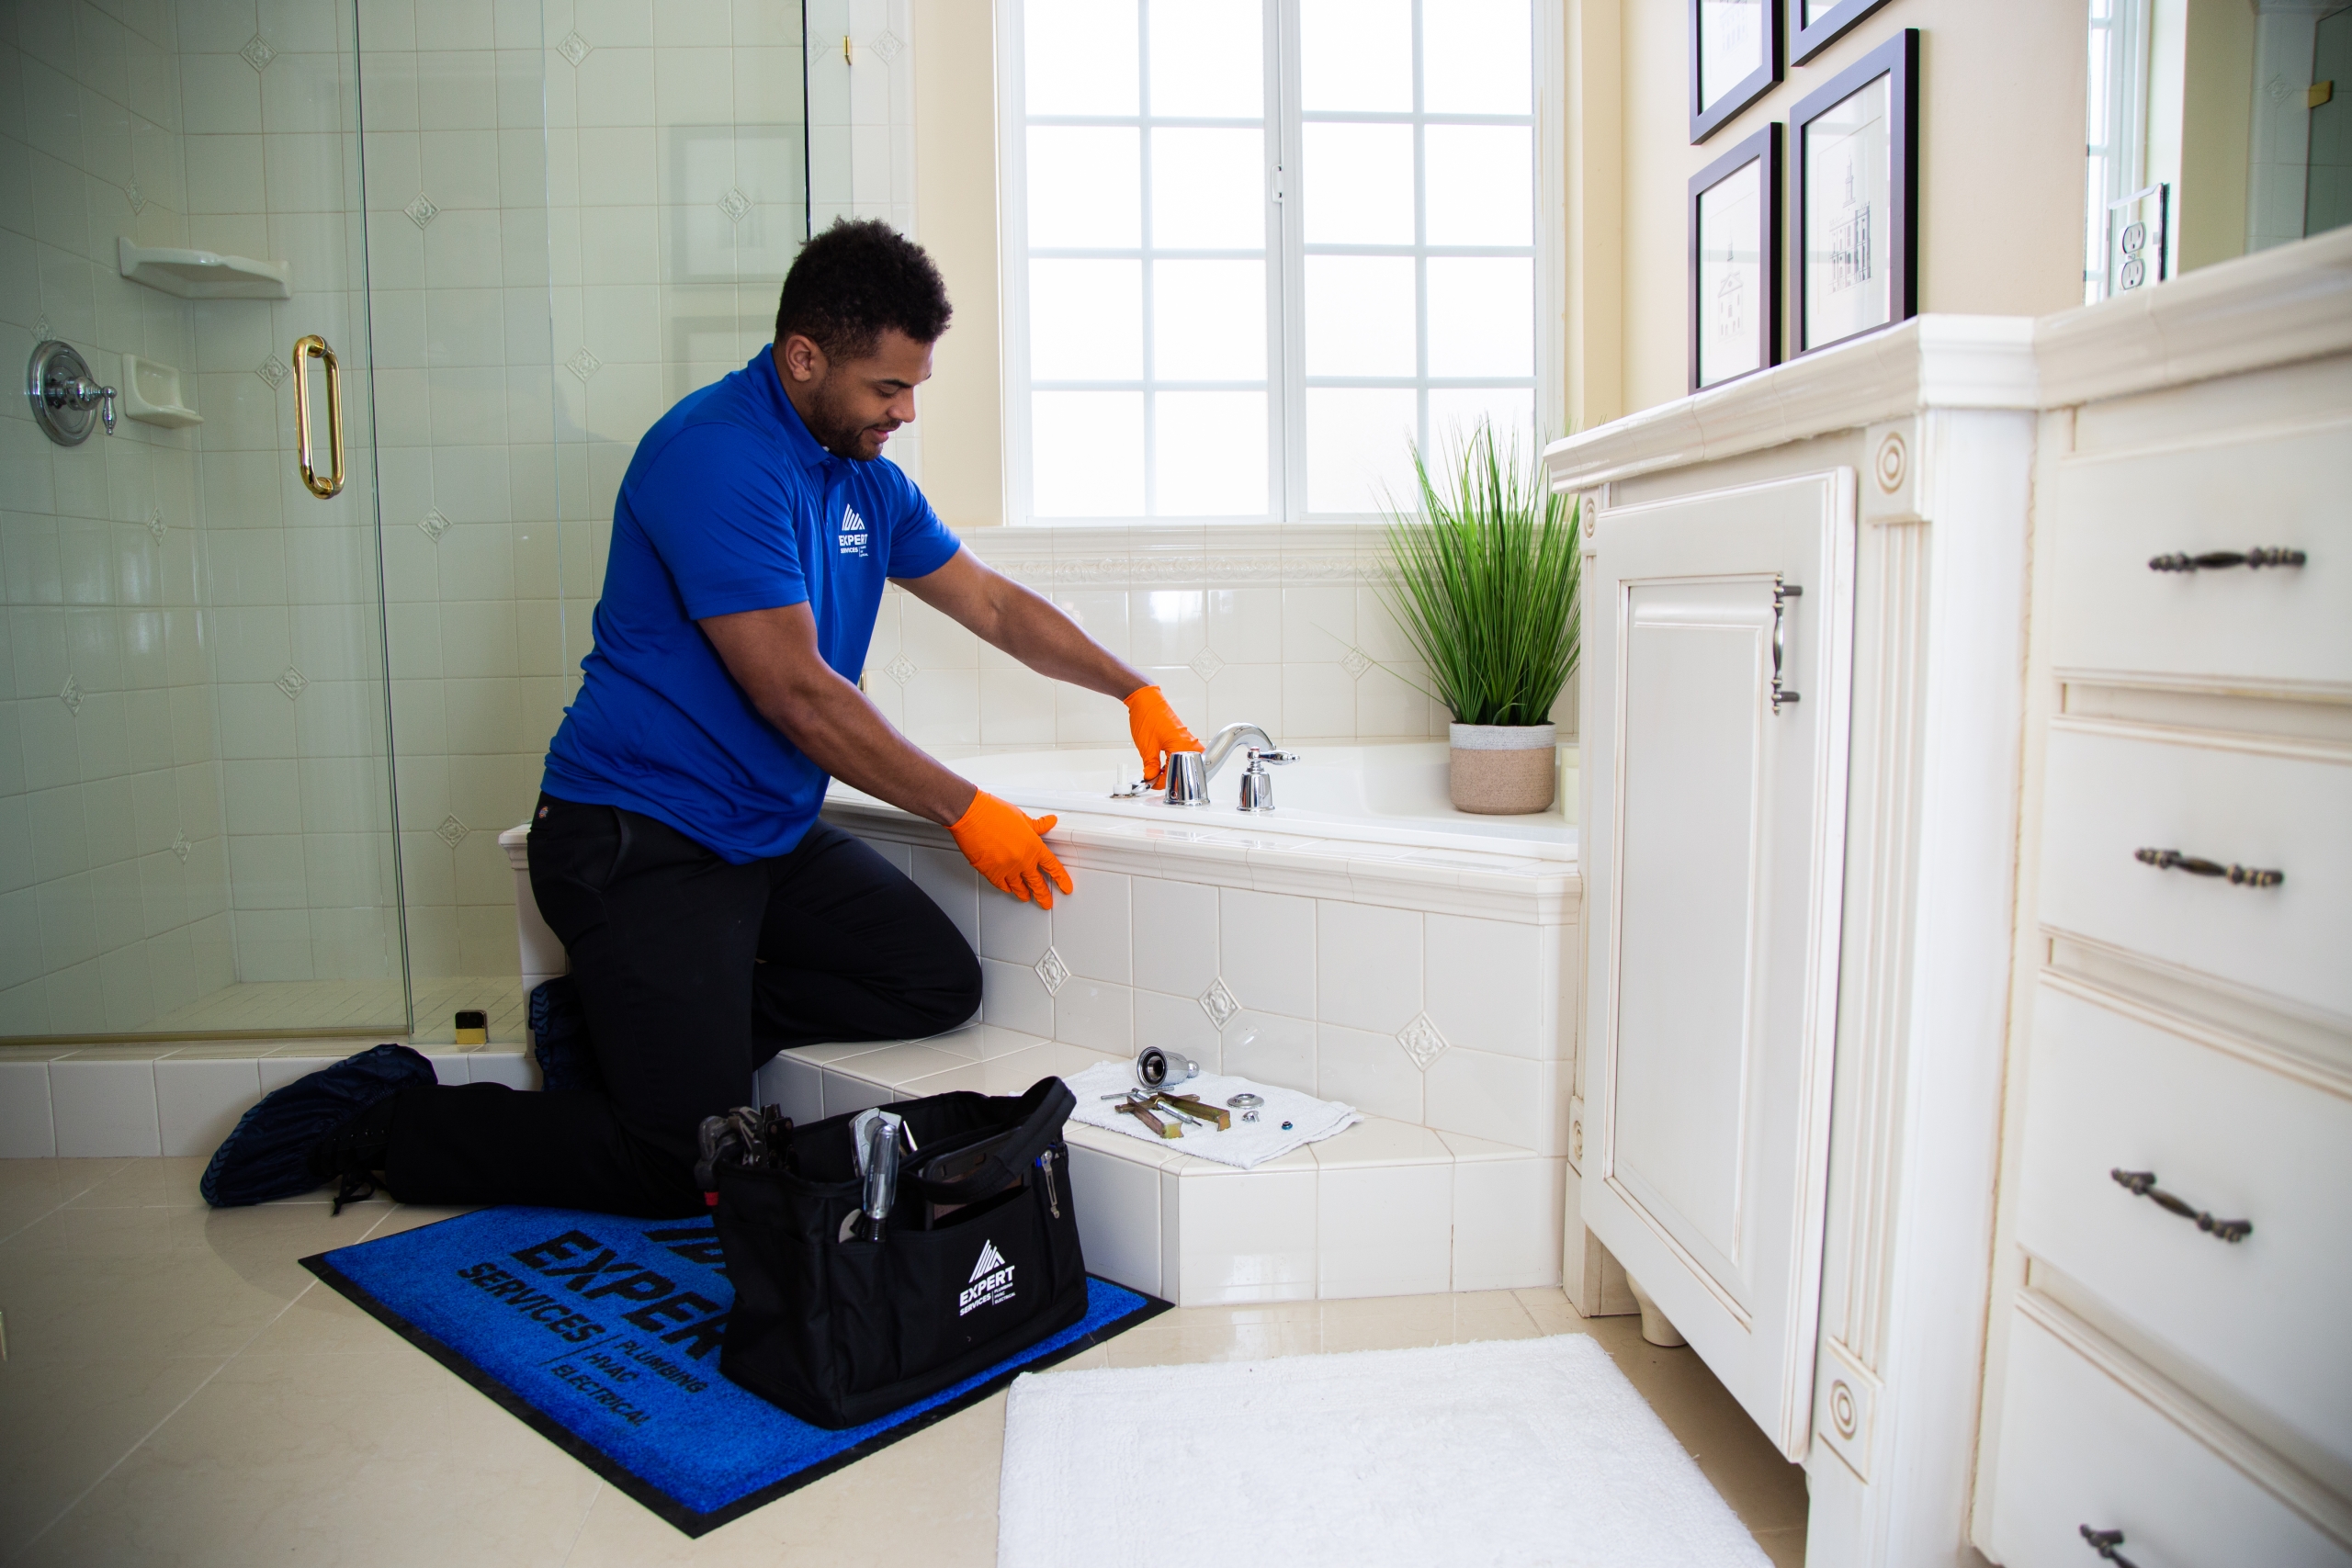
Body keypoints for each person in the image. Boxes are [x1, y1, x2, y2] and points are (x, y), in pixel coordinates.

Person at [201, 219, 1201, 1217]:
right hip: (639, 838)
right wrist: (963, 809)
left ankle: (617, 1030)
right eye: (886, 388)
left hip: (758, 836)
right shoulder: (715, 456)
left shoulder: (863, 478)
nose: (903, 412)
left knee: (932, 982)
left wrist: (1133, 689)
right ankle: (389, 1125)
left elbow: (989, 602)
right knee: (676, 1162)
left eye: (913, 389)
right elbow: (797, 694)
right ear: (803, 357)